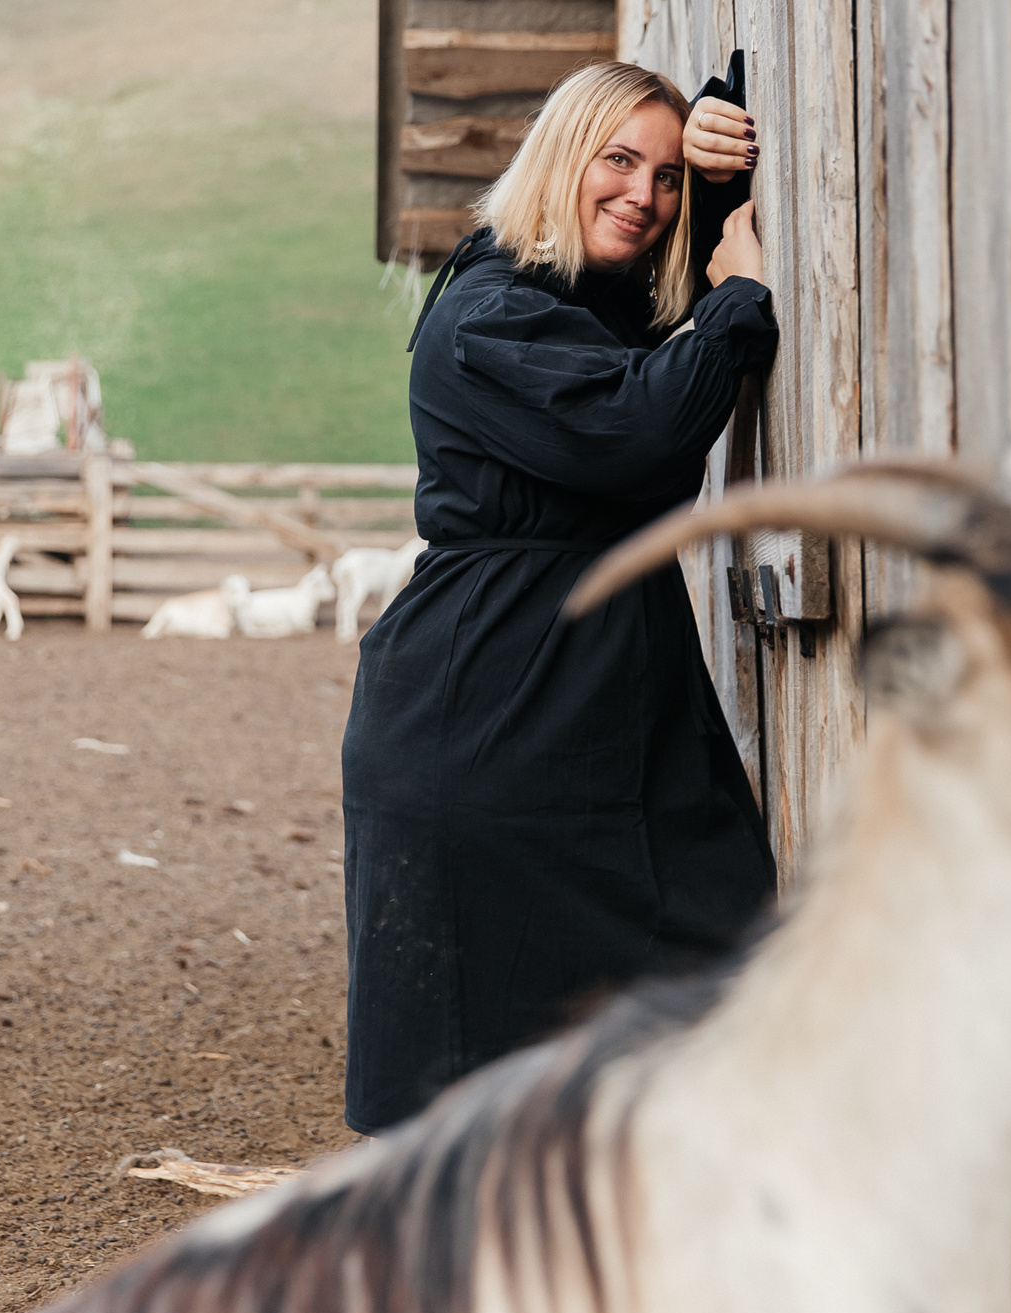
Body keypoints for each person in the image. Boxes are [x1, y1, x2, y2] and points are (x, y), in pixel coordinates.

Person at [339, 62, 778, 1135]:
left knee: (716, 942)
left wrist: (711, 185)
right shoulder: (487, 312)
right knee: (488, 1074)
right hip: (488, 717)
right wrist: (736, 304)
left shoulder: (559, 295)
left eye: (667, 177)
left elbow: (629, 318)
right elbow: (635, 426)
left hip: (575, 698)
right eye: (617, 161)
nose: (644, 193)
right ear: (556, 158)